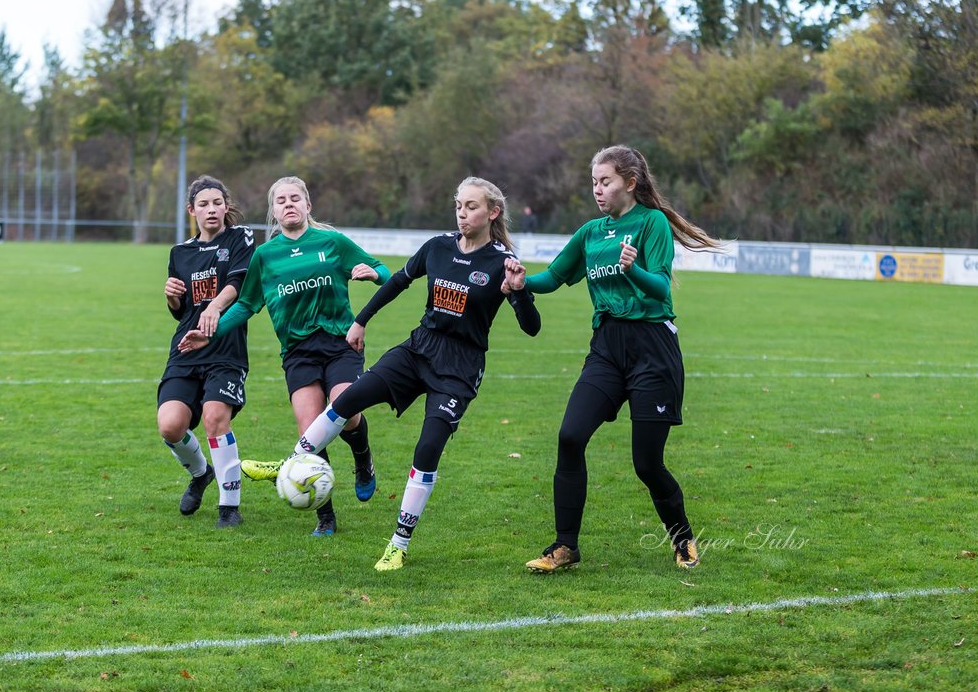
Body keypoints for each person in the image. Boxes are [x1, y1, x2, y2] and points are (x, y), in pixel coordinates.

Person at [249, 177, 541, 571]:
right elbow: (399, 281)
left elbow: (532, 326)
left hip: (458, 368)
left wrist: (519, 291)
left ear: (492, 212)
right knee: (348, 400)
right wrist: (360, 321)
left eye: (471, 207)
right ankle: (290, 463)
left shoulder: (500, 262)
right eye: (458, 205)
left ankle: (399, 543)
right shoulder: (438, 247)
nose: (462, 213)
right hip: (418, 350)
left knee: (427, 450)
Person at [522, 145, 722, 574]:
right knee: (570, 436)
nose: (597, 189)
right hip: (607, 348)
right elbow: (555, 276)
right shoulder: (591, 233)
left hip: (652, 348)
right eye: (594, 182)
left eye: (605, 181)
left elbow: (661, 290)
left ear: (630, 183)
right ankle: (565, 547)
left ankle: (683, 539)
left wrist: (632, 269)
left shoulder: (652, 223)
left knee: (647, 463)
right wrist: (522, 282)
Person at [178, 176, 391, 536]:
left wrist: (373, 274)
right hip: (297, 352)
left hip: (340, 342)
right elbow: (246, 304)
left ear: (308, 205)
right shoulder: (265, 255)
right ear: (273, 211)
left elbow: (386, 272)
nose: (289, 204)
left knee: (346, 409)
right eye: (281, 200)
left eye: (295, 198)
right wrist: (209, 334)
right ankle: (326, 517)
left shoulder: (331, 242)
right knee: (311, 433)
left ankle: (362, 458)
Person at [158, 176, 255, 528]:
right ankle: (201, 474)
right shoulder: (179, 252)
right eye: (203, 204)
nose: (211, 209)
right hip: (185, 349)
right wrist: (172, 297)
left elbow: (238, 283)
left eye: (217, 203)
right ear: (192, 210)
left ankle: (229, 508)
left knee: (215, 419)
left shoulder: (240, 238)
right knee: (170, 426)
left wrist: (214, 308)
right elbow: (180, 310)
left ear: (226, 206)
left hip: (225, 349)